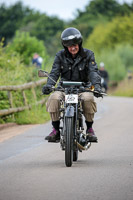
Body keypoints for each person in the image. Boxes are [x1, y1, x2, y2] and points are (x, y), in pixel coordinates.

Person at [42, 27, 102, 143]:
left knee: (88, 98)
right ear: (65, 46)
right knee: (53, 98)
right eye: (70, 46)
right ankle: (55, 130)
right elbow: (54, 72)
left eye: (75, 45)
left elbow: (93, 72)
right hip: (64, 88)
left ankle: (89, 128)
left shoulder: (88, 55)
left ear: (79, 43)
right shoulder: (60, 55)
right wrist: (49, 85)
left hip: (83, 88)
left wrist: (97, 86)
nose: (73, 48)